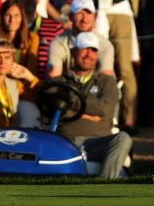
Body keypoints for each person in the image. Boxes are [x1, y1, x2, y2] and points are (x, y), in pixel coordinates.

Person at [52, 32, 131, 178]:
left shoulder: (107, 82)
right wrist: (91, 114)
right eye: (84, 49)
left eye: (93, 50)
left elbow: (105, 108)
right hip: (65, 142)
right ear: (73, 52)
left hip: (96, 143)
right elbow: (51, 111)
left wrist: (71, 104)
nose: (89, 54)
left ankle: (103, 189)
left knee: (124, 138)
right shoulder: (59, 81)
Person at [46, 0, 115, 78]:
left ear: (95, 16)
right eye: (79, 13)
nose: (84, 19)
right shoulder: (58, 43)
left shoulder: (105, 45)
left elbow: (106, 82)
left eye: (88, 13)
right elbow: (53, 79)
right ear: (70, 16)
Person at [0, 39, 39, 129]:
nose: (2, 62)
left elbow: (40, 97)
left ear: (13, 60)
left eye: (7, 57)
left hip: (8, 135)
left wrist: (29, 76)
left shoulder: (16, 85)